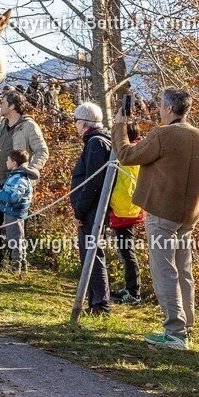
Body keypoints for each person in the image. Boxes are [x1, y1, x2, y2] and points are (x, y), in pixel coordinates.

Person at [113, 88, 199, 349]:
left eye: (160, 105)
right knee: (183, 271)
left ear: (169, 109)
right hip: (189, 216)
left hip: (161, 215)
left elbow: (127, 155)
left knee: (164, 271)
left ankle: (175, 332)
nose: (159, 109)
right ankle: (186, 327)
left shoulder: (162, 134)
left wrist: (119, 126)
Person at [0, 90, 49, 266]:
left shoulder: (28, 126)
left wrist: (28, 172)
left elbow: (42, 151)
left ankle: (17, 260)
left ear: (12, 106)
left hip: (14, 184)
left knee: (14, 225)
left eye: (3, 102)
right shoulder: (0, 124)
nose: (0, 105)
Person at [71, 102, 113, 316]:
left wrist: (79, 210)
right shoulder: (95, 142)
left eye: (76, 121)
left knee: (93, 254)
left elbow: (92, 182)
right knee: (89, 253)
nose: (75, 125)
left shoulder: (96, 143)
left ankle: (100, 304)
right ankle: (93, 301)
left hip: (92, 209)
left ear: (84, 122)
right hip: (92, 208)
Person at [108, 122, 144, 305]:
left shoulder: (126, 153)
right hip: (129, 207)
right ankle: (131, 288)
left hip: (124, 209)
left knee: (127, 251)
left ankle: (134, 292)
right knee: (125, 250)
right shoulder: (140, 149)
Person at [0, 148, 38, 273]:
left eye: (8, 160)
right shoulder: (15, 176)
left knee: (14, 239)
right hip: (13, 212)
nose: (6, 162)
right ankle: (23, 263)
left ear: (14, 163)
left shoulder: (19, 178)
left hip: (14, 213)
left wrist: (0, 193)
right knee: (19, 237)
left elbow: (13, 198)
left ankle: (16, 265)